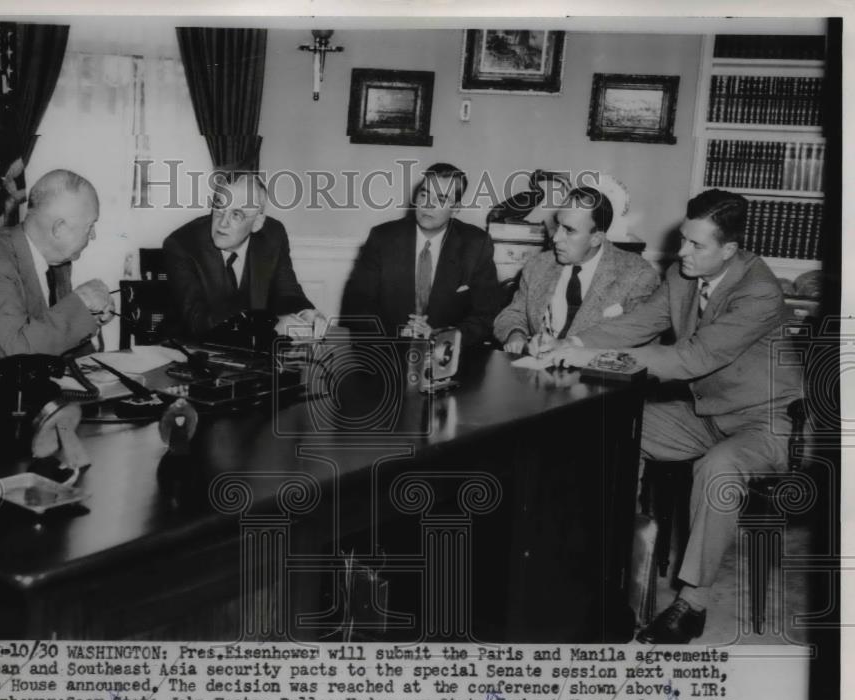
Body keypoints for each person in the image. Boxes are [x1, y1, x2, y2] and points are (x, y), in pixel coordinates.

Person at [545, 189, 802, 644]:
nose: (681, 251)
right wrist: (575, 345)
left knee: (718, 468)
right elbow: (642, 320)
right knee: (614, 429)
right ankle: (604, 563)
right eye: (683, 238)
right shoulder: (683, 274)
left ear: (730, 250)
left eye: (696, 245)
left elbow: (694, 357)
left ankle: (693, 604)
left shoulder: (759, 290)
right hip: (703, 413)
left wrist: (601, 357)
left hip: (761, 421)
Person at [0, 169, 114, 374]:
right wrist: (81, 303)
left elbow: (51, 336)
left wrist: (91, 315)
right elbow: (18, 354)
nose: (93, 236)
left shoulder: (59, 264)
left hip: (27, 389)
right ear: (59, 229)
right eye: (90, 226)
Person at [341, 162, 500, 346]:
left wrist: (440, 336)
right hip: (387, 350)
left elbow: (486, 316)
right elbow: (355, 305)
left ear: (456, 207)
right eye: (424, 194)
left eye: (441, 199)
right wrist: (400, 331)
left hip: (447, 356)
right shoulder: (382, 238)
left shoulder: (476, 244)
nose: (428, 205)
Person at [494, 186, 660, 355]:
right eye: (557, 225)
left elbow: (644, 343)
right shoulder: (538, 265)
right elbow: (514, 313)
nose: (556, 238)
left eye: (569, 230)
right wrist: (515, 334)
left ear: (596, 238)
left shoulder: (638, 275)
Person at [163, 172, 327, 340]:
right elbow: (198, 323)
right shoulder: (182, 245)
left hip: (255, 354)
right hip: (195, 353)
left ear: (257, 223)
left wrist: (305, 314)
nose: (222, 222)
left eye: (236, 214)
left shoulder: (273, 236)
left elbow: (287, 292)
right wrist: (271, 326)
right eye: (219, 207)